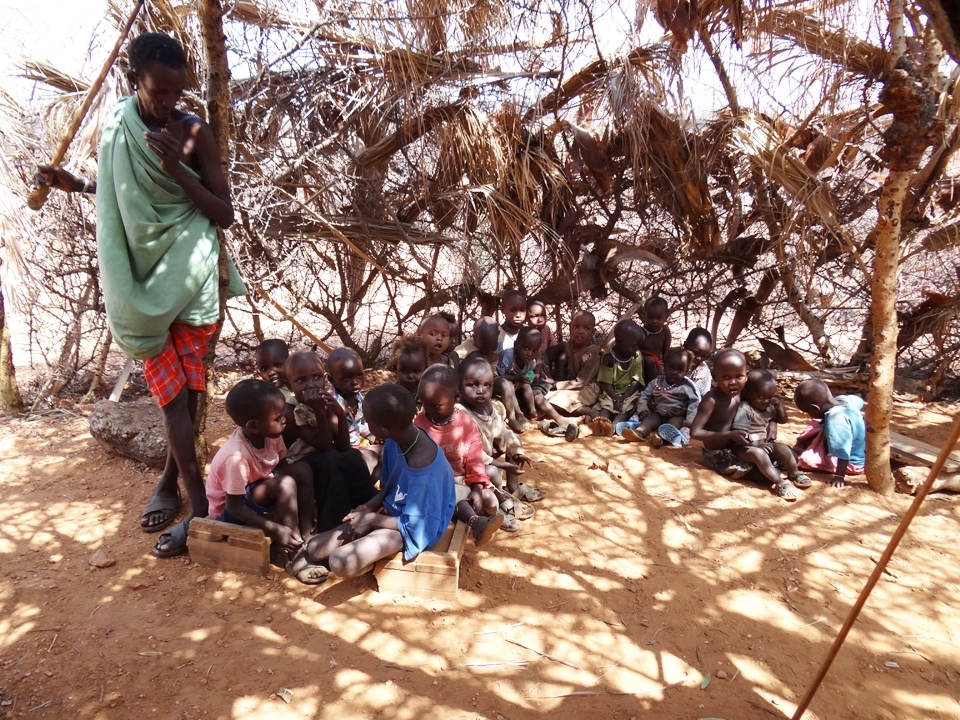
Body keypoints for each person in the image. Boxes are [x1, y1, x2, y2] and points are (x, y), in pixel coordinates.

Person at [37, 32, 245, 558]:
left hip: (192, 274)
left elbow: (223, 212)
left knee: (187, 398)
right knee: (171, 399)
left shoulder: (193, 131)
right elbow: (121, 194)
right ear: (134, 82)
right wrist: (75, 184)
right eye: (159, 91)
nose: (169, 102)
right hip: (139, 279)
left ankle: (186, 500)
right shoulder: (118, 127)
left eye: (177, 92)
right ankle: (192, 502)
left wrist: (178, 170)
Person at [289, 384, 456, 585]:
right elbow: (389, 488)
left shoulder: (424, 467)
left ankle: (372, 557)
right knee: (315, 548)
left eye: (368, 422)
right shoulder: (395, 440)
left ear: (384, 429)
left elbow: (416, 526)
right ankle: (369, 548)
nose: (365, 425)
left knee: (339, 562)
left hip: (411, 531)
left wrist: (372, 520)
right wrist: (368, 507)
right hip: (387, 515)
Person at [205, 380, 314, 567]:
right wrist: (276, 529)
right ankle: (295, 556)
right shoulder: (236, 457)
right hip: (230, 510)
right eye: (278, 418)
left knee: (302, 470)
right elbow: (234, 506)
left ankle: (308, 537)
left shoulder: (272, 435)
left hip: (256, 488)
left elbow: (282, 466)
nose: (284, 419)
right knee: (285, 484)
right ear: (254, 426)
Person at [282, 351, 378, 532]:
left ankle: (368, 510)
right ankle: (335, 526)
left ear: (325, 379)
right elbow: (324, 446)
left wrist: (340, 415)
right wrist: (320, 411)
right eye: (301, 380)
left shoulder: (327, 400)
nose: (311, 385)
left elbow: (343, 446)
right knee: (331, 462)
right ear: (289, 385)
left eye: (316, 377)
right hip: (298, 462)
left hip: (323, 457)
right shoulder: (290, 410)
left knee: (352, 456)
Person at [415, 365, 506, 544]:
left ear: (456, 397)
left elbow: (475, 459)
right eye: (424, 404)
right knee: (453, 497)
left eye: (436, 406)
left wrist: (477, 488)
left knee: (489, 499)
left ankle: (493, 511)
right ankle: (476, 523)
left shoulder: (466, 424)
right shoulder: (420, 423)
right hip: (438, 484)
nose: (428, 410)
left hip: (464, 479)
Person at [458, 355, 545, 508]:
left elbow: (502, 431)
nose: (481, 391)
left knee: (513, 439)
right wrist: (502, 464)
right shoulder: (460, 414)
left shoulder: (487, 407)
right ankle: (499, 501)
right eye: (472, 385)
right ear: (459, 386)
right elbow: (469, 455)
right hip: (468, 467)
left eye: (487, 385)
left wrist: (516, 451)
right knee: (492, 471)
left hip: (486, 454)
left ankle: (513, 487)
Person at [730, 369, 812, 500]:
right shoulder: (745, 408)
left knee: (783, 448)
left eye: (770, 397)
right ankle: (780, 483)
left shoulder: (768, 406)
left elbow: (783, 420)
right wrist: (757, 445)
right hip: (744, 447)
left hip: (764, 444)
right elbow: (740, 434)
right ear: (746, 394)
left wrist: (778, 407)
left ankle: (794, 472)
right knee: (759, 454)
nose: (766, 401)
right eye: (761, 397)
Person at [498, 327, 578, 440]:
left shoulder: (531, 362)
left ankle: (533, 412)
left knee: (527, 386)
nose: (530, 354)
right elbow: (499, 377)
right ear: (516, 345)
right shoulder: (508, 355)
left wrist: (528, 379)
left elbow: (528, 378)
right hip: (505, 386)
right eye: (526, 348)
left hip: (519, 387)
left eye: (534, 351)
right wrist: (517, 378)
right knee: (510, 385)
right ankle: (518, 415)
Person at [689, 348, 753, 479]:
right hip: (716, 454)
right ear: (714, 377)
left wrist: (772, 425)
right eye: (726, 377)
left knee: (771, 457)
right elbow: (694, 433)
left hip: (736, 447)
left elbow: (764, 408)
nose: (733, 382)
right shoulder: (711, 400)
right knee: (759, 474)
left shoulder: (742, 393)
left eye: (739, 377)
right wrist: (729, 435)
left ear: (746, 376)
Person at [618, 348, 699, 447]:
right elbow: (644, 395)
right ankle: (638, 433)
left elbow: (695, 403)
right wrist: (643, 408)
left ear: (686, 371)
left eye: (680, 370)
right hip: (658, 413)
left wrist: (688, 421)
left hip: (676, 415)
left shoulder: (688, 386)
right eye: (670, 368)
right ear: (664, 366)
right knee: (648, 421)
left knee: (673, 425)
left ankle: (661, 440)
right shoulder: (657, 382)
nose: (674, 372)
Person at [793, 379, 866, 488]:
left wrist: (839, 476)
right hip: (855, 447)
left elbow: (843, 450)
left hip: (851, 463)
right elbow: (858, 400)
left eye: (807, 412)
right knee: (817, 423)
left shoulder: (835, 419)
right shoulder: (843, 400)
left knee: (805, 459)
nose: (808, 415)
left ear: (814, 408)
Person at [582, 319, 646, 434]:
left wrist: (623, 398)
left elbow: (635, 381)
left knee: (624, 409)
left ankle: (613, 426)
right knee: (606, 406)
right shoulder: (608, 357)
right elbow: (607, 383)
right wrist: (615, 398)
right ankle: (601, 423)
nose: (637, 349)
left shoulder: (636, 356)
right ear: (620, 341)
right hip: (610, 392)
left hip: (629, 393)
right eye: (634, 345)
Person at [327, 347, 382, 474]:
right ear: (331, 379)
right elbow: (340, 445)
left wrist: (376, 438)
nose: (355, 382)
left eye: (359, 375)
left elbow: (360, 425)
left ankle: (369, 485)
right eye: (347, 378)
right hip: (341, 453)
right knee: (371, 457)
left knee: (389, 451)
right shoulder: (331, 403)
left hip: (358, 446)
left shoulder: (356, 396)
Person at [544, 310, 600, 417]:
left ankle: (588, 411)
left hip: (587, 389)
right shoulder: (569, 345)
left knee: (549, 400)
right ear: (570, 328)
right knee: (543, 398)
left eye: (586, 328)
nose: (580, 331)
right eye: (576, 326)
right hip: (570, 386)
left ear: (593, 332)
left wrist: (555, 384)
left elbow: (580, 383)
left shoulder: (592, 353)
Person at [638, 296, 672, 382]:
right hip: (638, 368)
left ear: (666, 316)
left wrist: (667, 372)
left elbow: (666, 354)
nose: (654, 321)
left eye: (659, 318)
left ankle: (655, 385)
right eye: (650, 317)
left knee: (650, 361)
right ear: (644, 314)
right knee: (648, 360)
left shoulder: (665, 332)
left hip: (654, 368)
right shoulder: (639, 332)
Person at [390, 334, 429, 400]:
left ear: (425, 369)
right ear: (395, 369)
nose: (410, 376)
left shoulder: (428, 394)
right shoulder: (392, 394)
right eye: (405, 371)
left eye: (416, 371)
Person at [683, 328, 714, 396]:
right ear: (685, 345)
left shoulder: (702, 372)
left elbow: (696, 395)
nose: (699, 358)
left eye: (703, 356)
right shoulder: (676, 359)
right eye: (696, 353)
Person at [498, 289, 527, 354]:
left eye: (522, 310)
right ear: (503, 310)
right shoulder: (497, 334)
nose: (518, 315)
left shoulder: (528, 331)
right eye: (513, 310)